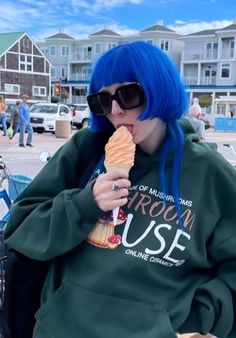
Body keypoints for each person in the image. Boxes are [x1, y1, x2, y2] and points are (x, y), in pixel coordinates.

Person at [4, 41, 236, 338]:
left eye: (128, 94)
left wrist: (198, 319)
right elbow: (20, 228)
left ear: (159, 90)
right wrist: (84, 204)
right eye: (102, 100)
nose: (114, 111)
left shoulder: (209, 171)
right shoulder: (87, 148)